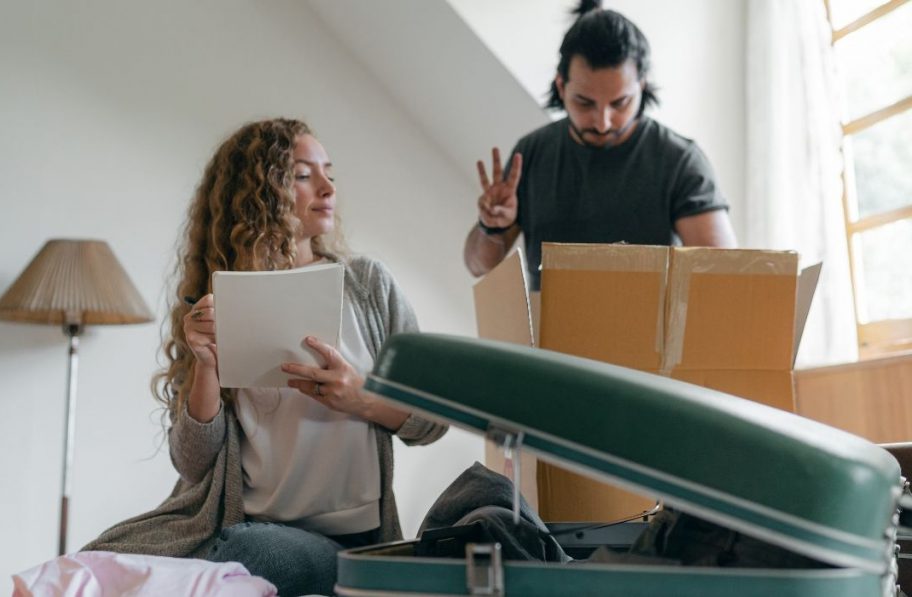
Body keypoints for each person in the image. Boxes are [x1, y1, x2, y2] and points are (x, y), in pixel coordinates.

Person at [83, 118, 447, 596]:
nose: (327, 187)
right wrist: (206, 366)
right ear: (258, 193)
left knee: (246, 554)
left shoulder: (368, 286)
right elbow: (193, 465)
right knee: (92, 562)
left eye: (329, 172)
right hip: (243, 521)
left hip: (345, 542)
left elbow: (433, 419)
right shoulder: (216, 299)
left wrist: (361, 399)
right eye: (302, 175)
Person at [464, 0, 738, 290]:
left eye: (620, 103)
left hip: (649, 333)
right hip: (549, 334)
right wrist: (492, 226)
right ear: (561, 87)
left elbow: (723, 278)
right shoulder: (532, 154)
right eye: (585, 102)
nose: (603, 122)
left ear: (641, 86)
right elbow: (478, 266)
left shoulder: (679, 161)